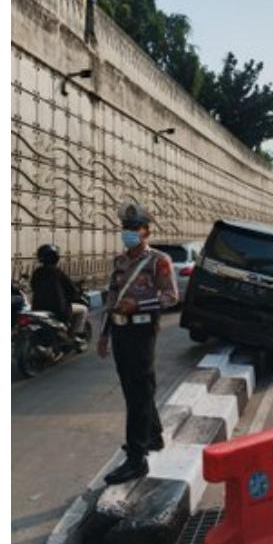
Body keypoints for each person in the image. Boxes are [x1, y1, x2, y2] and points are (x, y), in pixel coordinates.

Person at [97, 202, 178, 485]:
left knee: (139, 392)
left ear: (146, 231)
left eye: (135, 228)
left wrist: (140, 305)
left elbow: (170, 297)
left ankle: (136, 458)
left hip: (143, 333)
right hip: (120, 333)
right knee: (133, 389)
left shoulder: (158, 261)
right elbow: (112, 301)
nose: (129, 233)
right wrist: (104, 334)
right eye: (126, 228)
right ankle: (152, 437)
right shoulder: (119, 262)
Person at [30, 244, 88, 339]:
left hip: (38, 308)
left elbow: (33, 286)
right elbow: (71, 290)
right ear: (56, 258)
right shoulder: (58, 273)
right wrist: (76, 294)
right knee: (83, 309)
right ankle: (75, 335)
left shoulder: (37, 272)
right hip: (58, 310)